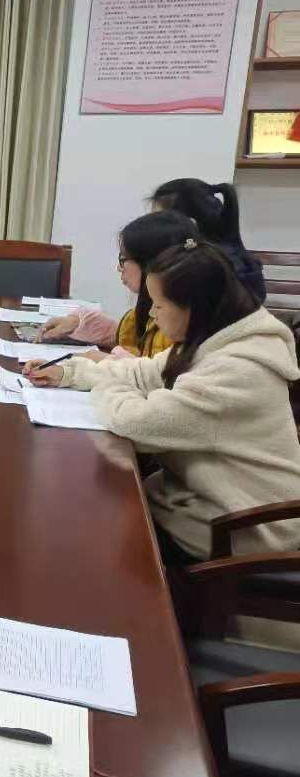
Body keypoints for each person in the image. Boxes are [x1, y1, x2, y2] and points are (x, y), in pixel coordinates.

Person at [26, 240, 300, 561]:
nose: (153, 316)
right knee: (88, 500)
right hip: (205, 499)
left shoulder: (237, 370)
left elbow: (135, 422)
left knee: (85, 533)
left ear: (193, 307)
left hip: (244, 528)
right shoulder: (212, 339)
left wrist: (106, 386)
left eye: (159, 305)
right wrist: (71, 372)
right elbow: (143, 373)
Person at [40, 210, 197, 358]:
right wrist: (77, 323)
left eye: (123, 260)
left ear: (150, 262)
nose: (119, 268)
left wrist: (105, 360)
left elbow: (158, 372)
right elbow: (124, 338)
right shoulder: (144, 313)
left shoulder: (177, 325)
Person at [150, 179, 265, 302]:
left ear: (189, 223)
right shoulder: (225, 255)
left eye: (159, 221)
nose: (154, 229)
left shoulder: (207, 267)